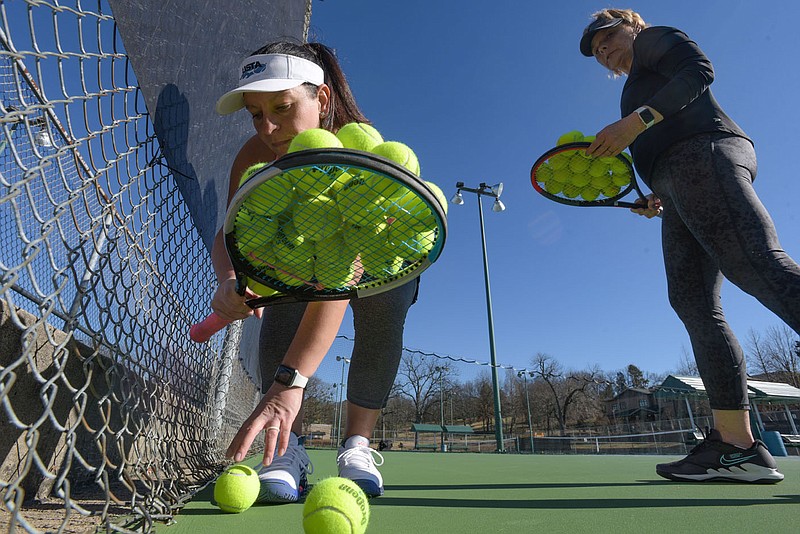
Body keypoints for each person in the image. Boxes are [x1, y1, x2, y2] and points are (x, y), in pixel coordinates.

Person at [579, 8, 800, 483]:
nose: (604, 52)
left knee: (757, 265)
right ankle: (736, 447)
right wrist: (655, 193)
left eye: (608, 38)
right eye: (597, 51)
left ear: (633, 25)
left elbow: (698, 72)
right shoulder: (632, 86)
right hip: (677, 180)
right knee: (692, 302)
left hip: (705, 152)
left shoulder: (654, 39)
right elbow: (658, 134)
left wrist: (635, 123)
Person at [210, 41, 420, 501]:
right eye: (255, 113)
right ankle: (290, 448)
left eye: (282, 108)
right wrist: (230, 281)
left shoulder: (357, 146)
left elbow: (341, 278)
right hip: (306, 261)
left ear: (321, 99)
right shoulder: (253, 156)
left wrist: (291, 381)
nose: (267, 127)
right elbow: (230, 232)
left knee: (386, 306)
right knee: (288, 290)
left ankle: (357, 445)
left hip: (378, 259)